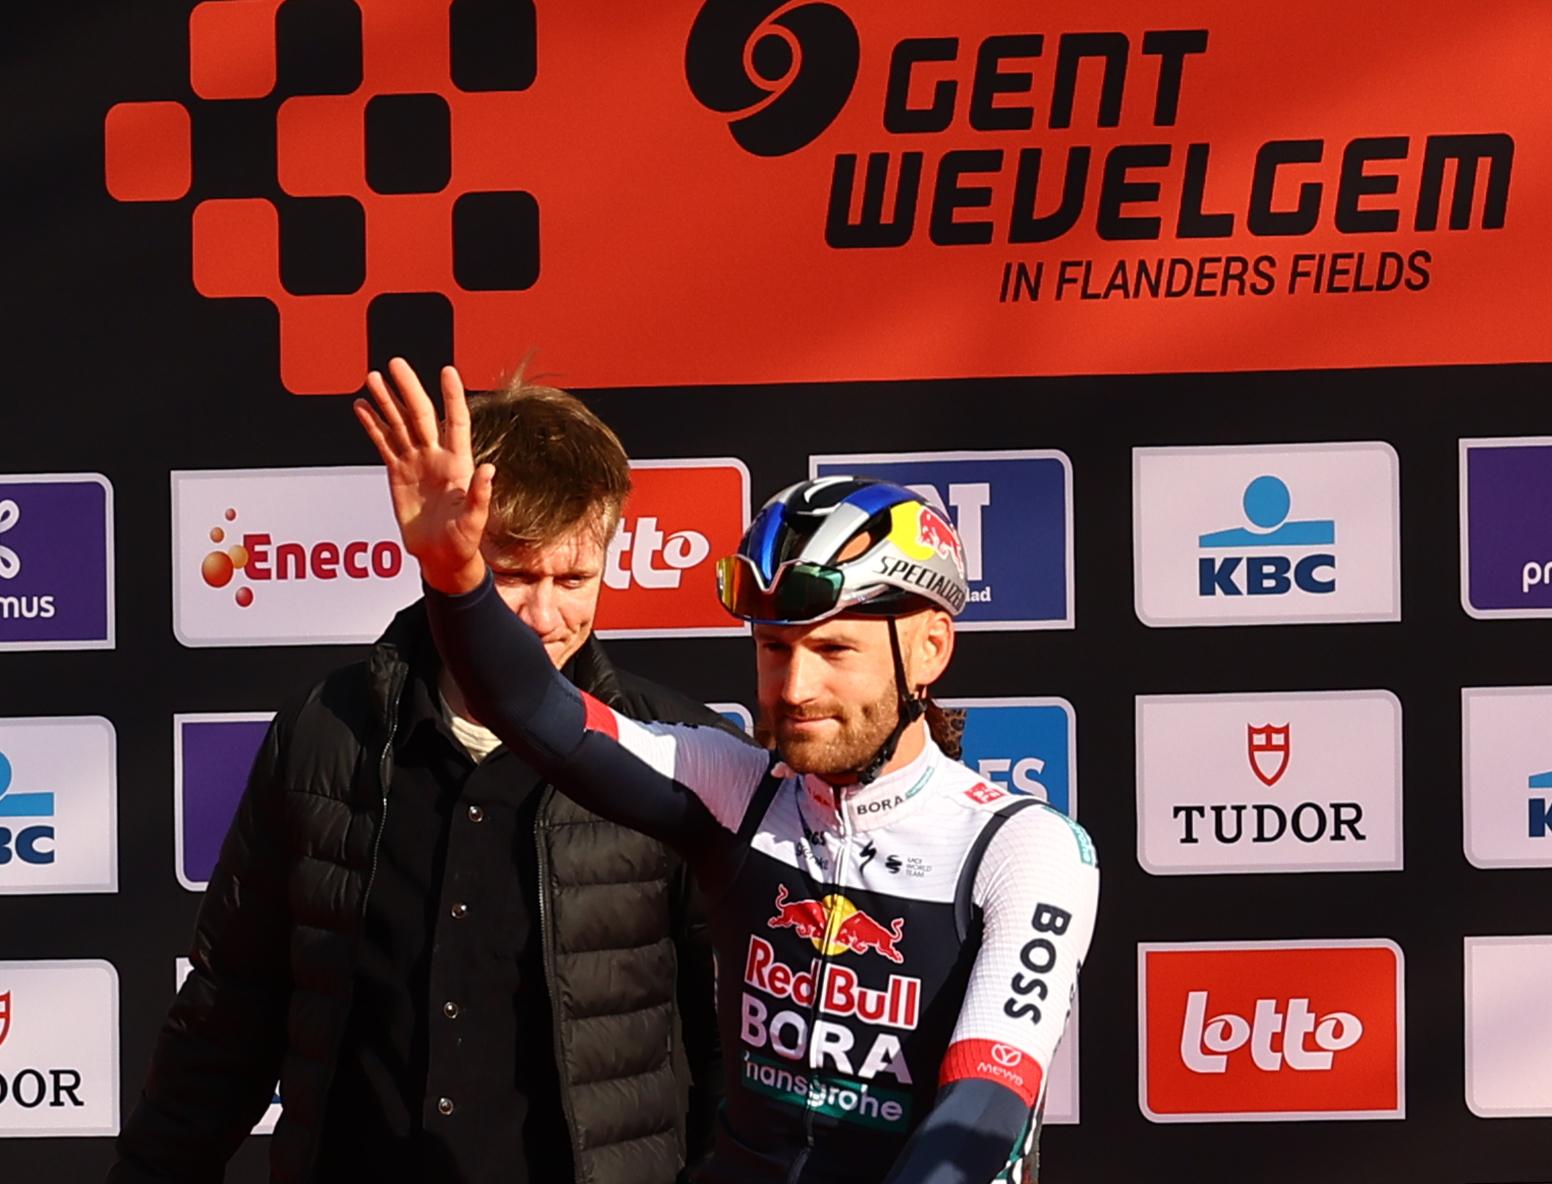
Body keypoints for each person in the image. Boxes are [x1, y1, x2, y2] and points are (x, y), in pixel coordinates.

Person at [355, 361, 1100, 1184]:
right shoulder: (741, 790)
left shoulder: (1024, 849)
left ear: (929, 647)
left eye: (834, 650)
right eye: (773, 649)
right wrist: (457, 579)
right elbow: (540, 714)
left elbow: (985, 1110)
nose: (795, 687)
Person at [111, 364, 734, 1184]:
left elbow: (733, 1044)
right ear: (451, 555)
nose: (546, 618)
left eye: (574, 580)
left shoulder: (671, 751)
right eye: (514, 577)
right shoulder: (327, 732)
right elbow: (231, 1011)